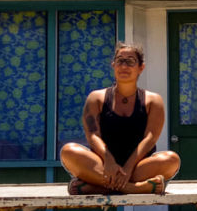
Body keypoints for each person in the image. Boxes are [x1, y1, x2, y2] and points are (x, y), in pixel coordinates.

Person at [59, 42, 180, 195]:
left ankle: (96, 187)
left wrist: (129, 167)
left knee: (171, 160)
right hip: (102, 166)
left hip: (138, 167)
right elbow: (93, 136)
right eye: (120, 61)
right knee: (69, 151)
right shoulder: (96, 98)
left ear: (141, 68)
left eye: (130, 61)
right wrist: (109, 161)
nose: (124, 66)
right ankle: (136, 188)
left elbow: (150, 139)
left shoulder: (153, 100)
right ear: (113, 65)